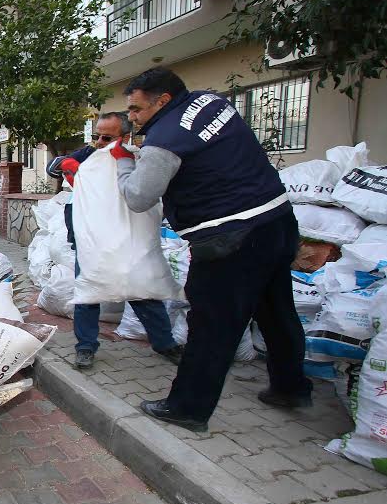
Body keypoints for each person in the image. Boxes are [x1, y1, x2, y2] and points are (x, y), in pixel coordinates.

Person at [112, 67, 312, 432]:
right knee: (277, 312)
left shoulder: (165, 139)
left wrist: (124, 164)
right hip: (278, 223)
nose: (132, 117)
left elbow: (140, 197)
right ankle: (291, 388)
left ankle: (188, 407)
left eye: (137, 109)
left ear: (164, 101)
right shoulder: (211, 102)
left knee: (210, 326)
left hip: (230, 241)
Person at [47, 112, 184, 370]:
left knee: (141, 291)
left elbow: (143, 195)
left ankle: (165, 343)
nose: (99, 141)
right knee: (88, 294)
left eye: (106, 137)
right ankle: (85, 347)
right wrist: (63, 165)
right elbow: (53, 166)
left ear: (125, 136)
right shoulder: (88, 155)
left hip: (126, 239)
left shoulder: (135, 159)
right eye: (96, 135)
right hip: (90, 241)